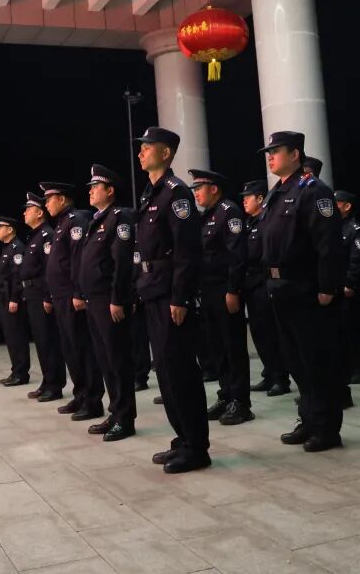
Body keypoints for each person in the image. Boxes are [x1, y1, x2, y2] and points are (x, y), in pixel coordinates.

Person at [258, 131, 346, 452]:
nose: (270, 156)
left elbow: (328, 244)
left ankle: (326, 428)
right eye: (268, 152)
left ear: (295, 154)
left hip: (305, 288)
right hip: (280, 288)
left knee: (316, 361)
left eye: (276, 151)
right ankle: (308, 419)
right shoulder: (277, 193)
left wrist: (327, 286)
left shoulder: (314, 190)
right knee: (296, 362)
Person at [133, 127, 209, 473]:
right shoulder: (151, 194)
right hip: (153, 289)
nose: (141, 152)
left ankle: (197, 447)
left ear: (166, 153)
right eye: (141, 148)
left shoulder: (176, 193)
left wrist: (181, 297)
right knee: (164, 371)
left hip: (170, 295)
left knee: (180, 370)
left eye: (147, 147)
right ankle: (183, 438)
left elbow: (187, 251)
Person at [73, 164, 137, 441]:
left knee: (117, 360)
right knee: (105, 360)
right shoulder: (97, 220)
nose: (90, 191)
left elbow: (122, 263)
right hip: (94, 300)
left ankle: (126, 418)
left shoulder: (120, 217)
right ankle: (115, 411)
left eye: (95, 187)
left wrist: (118, 299)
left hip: (109, 301)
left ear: (109, 190)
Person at [190, 169, 252, 426]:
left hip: (225, 290)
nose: (196, 193)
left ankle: (241, 402)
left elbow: (237, 255)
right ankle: (226, 395)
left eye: (199, 188)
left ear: (214, 188)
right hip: (208, 291)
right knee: (217, 347)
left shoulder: (229, 212)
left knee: (232, 346)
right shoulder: (206, 216)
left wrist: (233, 290)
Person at [40, 182, 103, 421]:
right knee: (70, 349)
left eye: (49, 199)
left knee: (82, 348)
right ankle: (80, 395)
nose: (47, 204)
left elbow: (78, 260)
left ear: (62, 199)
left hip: (71, 296)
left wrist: (78, 292)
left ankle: (93, 400)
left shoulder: (76, 220)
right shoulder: (61, 224)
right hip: (60, 297)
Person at [240, 179, 290, 397]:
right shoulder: (249, 223)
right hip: (251, 285)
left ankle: (280, 377)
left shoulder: (266, 222)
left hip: (263, 283)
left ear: (260, 198)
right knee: (259, 333)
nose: (244, 201)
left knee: (271, 332)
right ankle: (269, 372)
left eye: (248, 198)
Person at [20, 193, 66, 402]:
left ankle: (55, 385)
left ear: (39, 213)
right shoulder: (35, 236)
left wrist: (48, 296)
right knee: (40, 341)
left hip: (41, 294)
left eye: (28, 209)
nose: (25, 213)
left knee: (49, 341)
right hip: (32, 294)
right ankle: (47, 381)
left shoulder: (47, 235)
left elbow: (49, 269)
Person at [335, 191, 360, 385]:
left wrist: (350, 283)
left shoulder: (354, 229)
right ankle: (346, 366)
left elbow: (358, 260)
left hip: (351, 288)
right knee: (341, 329)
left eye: (337, 203)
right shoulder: (333, 228)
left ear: (347, 206)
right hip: (336, 287)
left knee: (354, 328)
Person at [0, 215, 31, 386]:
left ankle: (21, 374)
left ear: (10, 230)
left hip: (12, 299)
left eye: (0, 228)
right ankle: (16, 370)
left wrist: (15, 298)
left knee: (17, 336)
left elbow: (18, 276)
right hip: (4, 298)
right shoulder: (7, 248)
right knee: (11, 336)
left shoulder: (17, 248)